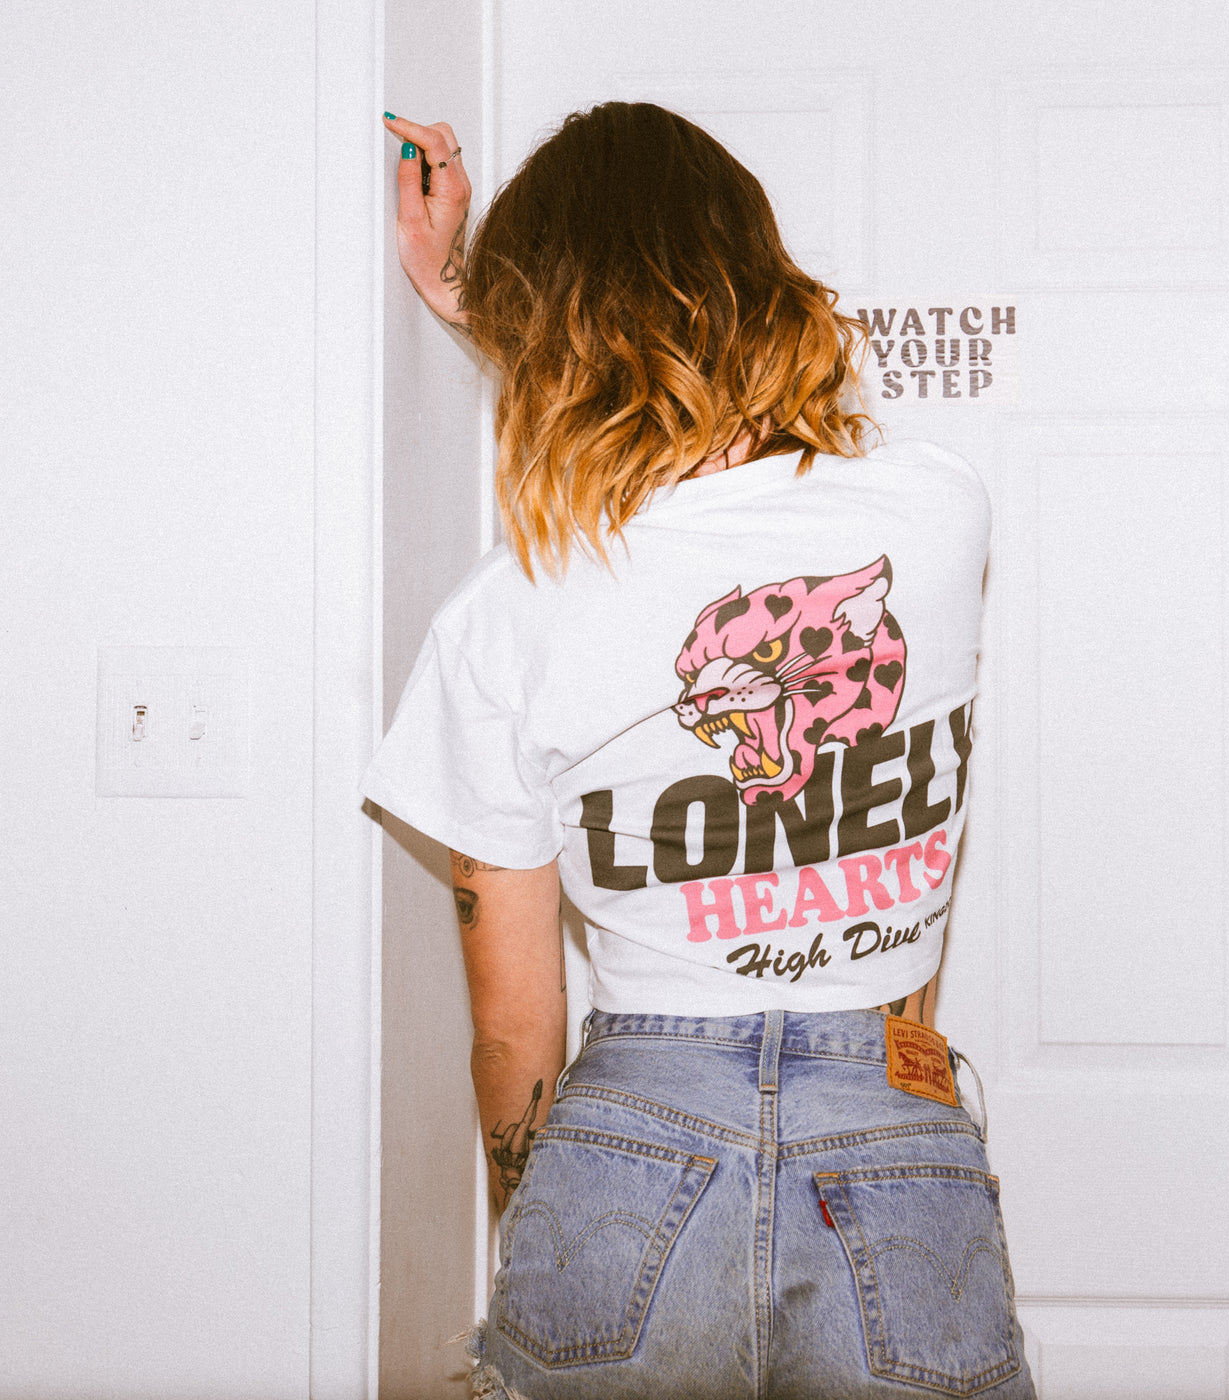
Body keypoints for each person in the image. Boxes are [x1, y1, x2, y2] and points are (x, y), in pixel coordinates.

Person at [365, 102, 1034, 1400]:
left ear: (551, 333)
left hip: (628, 1135)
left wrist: (541, 1201)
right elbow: (747, 470)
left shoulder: (513, 613)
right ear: (759, 279)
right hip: (892, 1120)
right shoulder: (936, 517)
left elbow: (513, 1030)